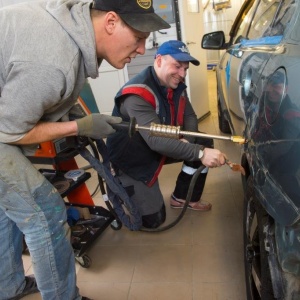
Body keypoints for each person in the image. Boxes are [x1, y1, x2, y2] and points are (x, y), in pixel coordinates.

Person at [0, 0, 170, 299]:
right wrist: (79, 127)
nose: (143, 49)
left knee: (10, 207)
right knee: (45, 213)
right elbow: (12, 131)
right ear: (111, 22)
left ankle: (8, 286)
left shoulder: (69, 29)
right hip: (6, 128)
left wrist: (71, 114)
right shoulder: (52, 60)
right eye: (139, 38)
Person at [106, 40, 227, 229]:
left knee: (203, 141)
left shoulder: (175, 85)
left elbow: (190, 116)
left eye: (185, 68)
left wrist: (190, 142)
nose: (182, 74)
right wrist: (199, 153)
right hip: (132, 159)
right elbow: (155, 140)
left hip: (156, 145)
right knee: (154, 221)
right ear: (159, 60)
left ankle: (182, 196)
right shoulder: (137, 94)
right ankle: (120, 184)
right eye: (177, 66)